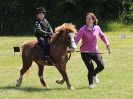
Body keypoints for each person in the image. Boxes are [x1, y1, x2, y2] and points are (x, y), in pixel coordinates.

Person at [75, 12, 110, 89]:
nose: (87, 20)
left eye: (89, 19)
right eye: (86, 18)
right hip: (85, 52)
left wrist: (107, 44)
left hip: (95, 51)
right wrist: (73, 46)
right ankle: (90, 84)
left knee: (101, 66)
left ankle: (94, 74)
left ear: (93, 20)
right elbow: (76, 40)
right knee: (90, 68)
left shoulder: (97, 28)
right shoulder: (82, 29)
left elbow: (102, 36)